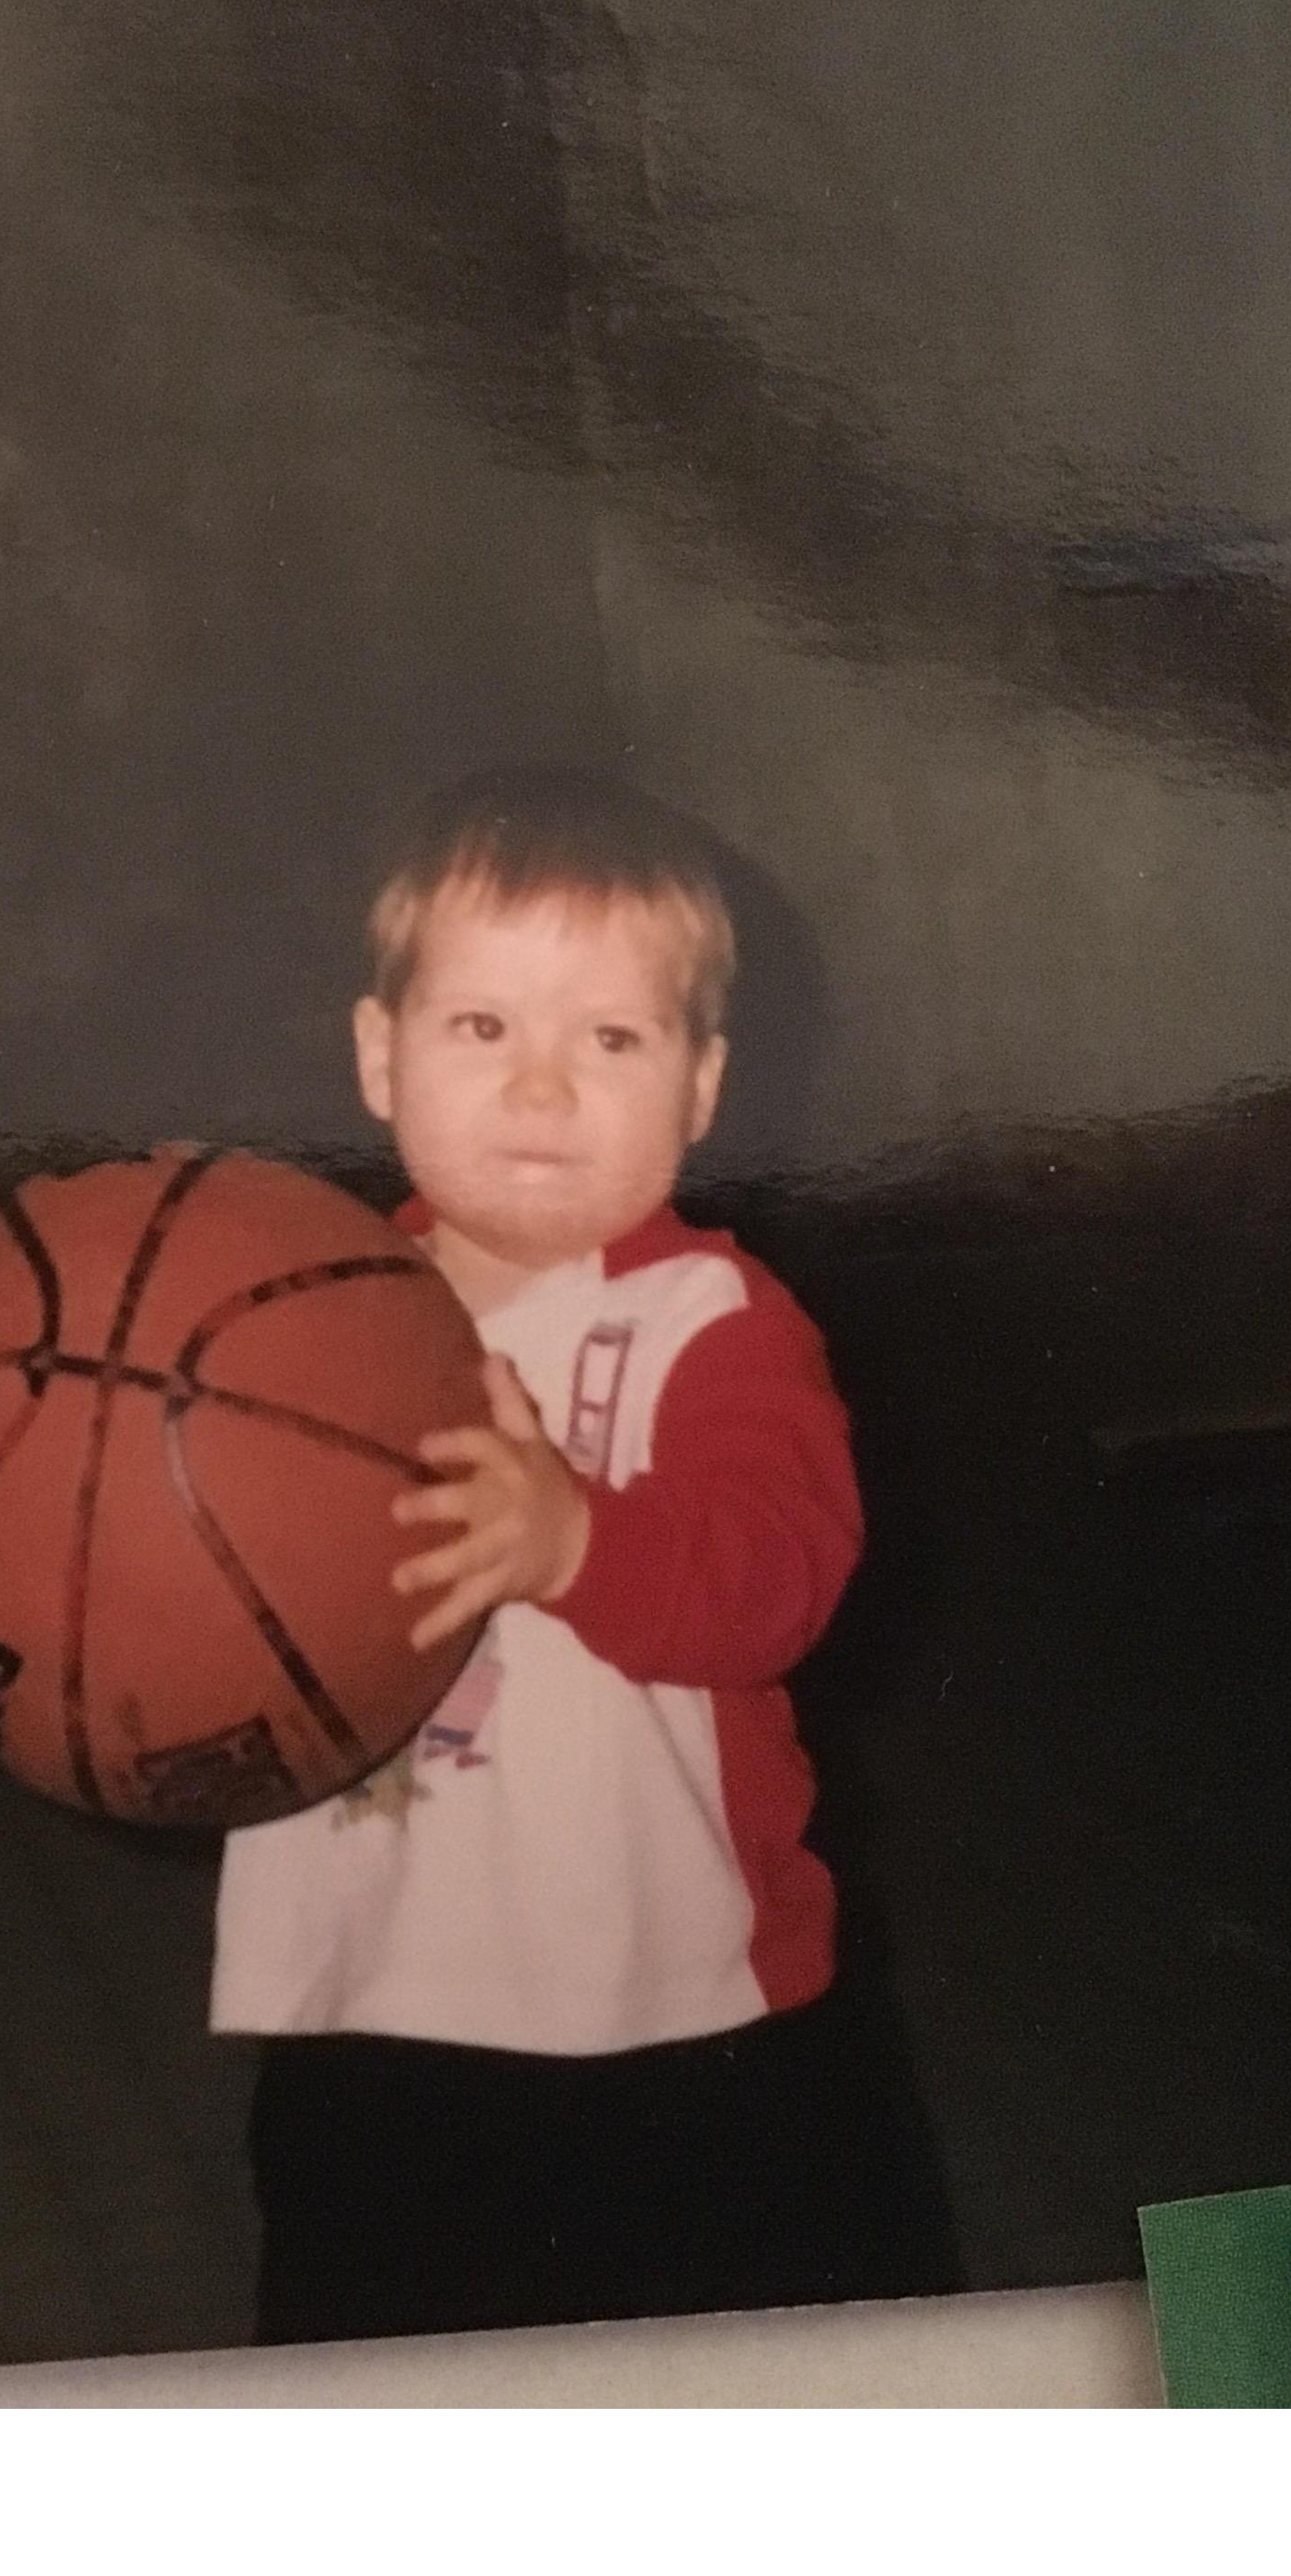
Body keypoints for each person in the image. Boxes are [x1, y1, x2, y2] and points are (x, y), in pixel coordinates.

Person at [211, 762, 955, 2342]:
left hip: (677, 2018)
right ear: (377, 1053)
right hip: (372, 2004)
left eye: (608, 1039)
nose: (541, 1088)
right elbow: (134, 1486)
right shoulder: (293, 1316)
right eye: (483, 1028)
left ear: (698, 1089)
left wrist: (575, 1540)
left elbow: (779, 1577)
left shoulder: (716, 1326)